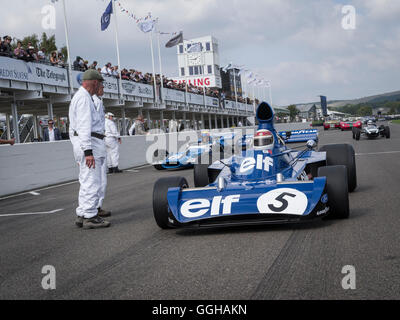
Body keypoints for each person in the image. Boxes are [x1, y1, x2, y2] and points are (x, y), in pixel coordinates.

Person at [69, 69, 110, 230]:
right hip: (90, 143)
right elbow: (84, 126)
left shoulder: (82, 97)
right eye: (100, 83)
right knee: (92, 181)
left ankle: (83, 213)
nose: (100, 86)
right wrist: (88, 152)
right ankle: (90, 216)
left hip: (89, 142)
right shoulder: (84, 98)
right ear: (94, 82)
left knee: (87, 181)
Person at [92, 85, 112, 218]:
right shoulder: (92, 101)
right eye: (101, 86)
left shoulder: (97, 101)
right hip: (94, 142)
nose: (103, 89)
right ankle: (94, 209)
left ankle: (96, 207)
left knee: (100, 179)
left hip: (98, 141)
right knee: (96, 180)